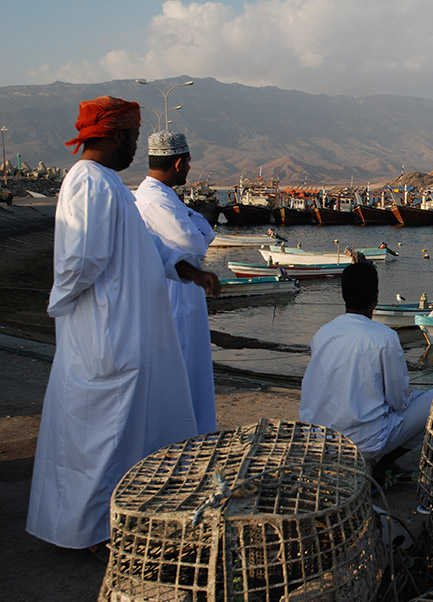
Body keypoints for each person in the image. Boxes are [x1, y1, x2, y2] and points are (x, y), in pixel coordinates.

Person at [26, 96, 221, 553]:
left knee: (125, 434)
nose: (136, 147)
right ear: (114, 135)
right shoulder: (88, 183)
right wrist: (65, 306)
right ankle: (89, 533)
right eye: (133, 137)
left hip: (125, 333)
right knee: (101, 440)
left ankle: (117, 522)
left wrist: (189, 272)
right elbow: (80, 260)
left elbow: (146, 248)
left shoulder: (110, 185)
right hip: (105, 335)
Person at [299, 261, 433, 481]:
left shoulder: (323, 332)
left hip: (316, 438)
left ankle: (376, 461)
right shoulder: (384, 337)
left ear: (343, 295)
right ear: (376, 297)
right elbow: (398, 401)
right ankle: (380, 465)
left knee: (403, 400)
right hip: (362, 442)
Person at [135, 130, 218, 434]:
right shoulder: (155, 200)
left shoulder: (161, 196)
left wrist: (195, 227)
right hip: (175, 295)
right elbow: (197, 241)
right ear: (180, 163)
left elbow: (202, 234)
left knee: (190, 369)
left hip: (183, 291)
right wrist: (196, 226)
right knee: (181, 369)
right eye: (190, 164)